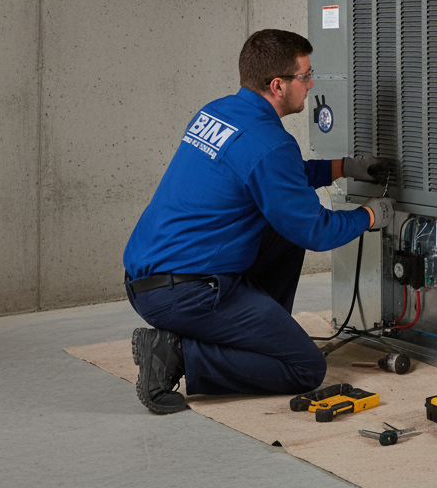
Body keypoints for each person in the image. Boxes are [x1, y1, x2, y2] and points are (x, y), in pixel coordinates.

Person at [123, 28, 395, 415]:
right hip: (187, 292)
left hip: (149, 278)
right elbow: (314, 230)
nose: (311, 84)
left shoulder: (217, 112)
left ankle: (257, 335)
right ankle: (176, 353)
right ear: (278, 85)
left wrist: (343, 167)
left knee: (282, 233)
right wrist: (370, 216)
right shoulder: (271, 142)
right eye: (305, 76)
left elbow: (274, 176)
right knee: (305, 367)